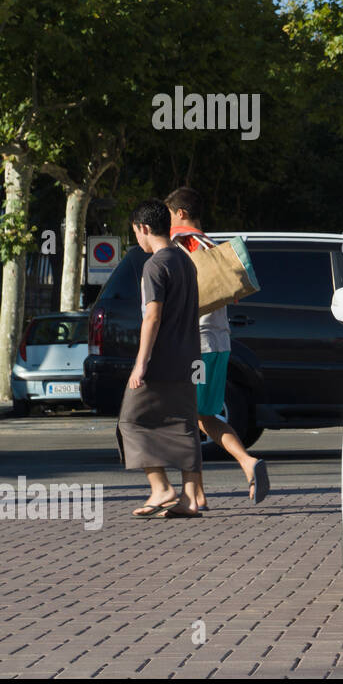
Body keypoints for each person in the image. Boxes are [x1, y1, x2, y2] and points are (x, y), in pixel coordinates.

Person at [165, 187, 269, 506]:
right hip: (219, 342)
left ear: (180, 213)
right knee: (203, 415)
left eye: (169, 215)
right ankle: (201, 492)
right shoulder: (212, 245)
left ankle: (198, 492)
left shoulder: (181, 245)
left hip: (194, 344)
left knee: (185, 418)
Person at [118, 199, 203, 518]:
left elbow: (152, 317)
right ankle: (190, 499)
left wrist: (141, 362)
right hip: (190, 358)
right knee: (184, 426)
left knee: (130, 420)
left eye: (135, 233)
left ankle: (160, 487)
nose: (137, 240)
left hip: (161, 360)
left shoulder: (155, 265)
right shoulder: (185, 261)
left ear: (144, 228)